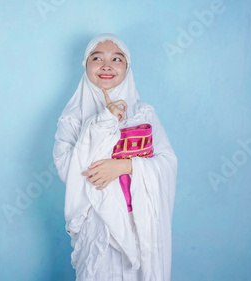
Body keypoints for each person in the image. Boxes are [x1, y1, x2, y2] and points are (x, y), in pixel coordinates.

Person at [53, 33, 177, 281]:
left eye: (117, 58)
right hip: (99, 226)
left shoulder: (143, 114)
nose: (107, 65)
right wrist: (103, 122)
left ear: (127, 67)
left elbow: (167, 162)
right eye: (97, 58)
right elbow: (68, 169)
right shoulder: (72, 119)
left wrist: (125, 166)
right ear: (86, 65)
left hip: (141, 221)